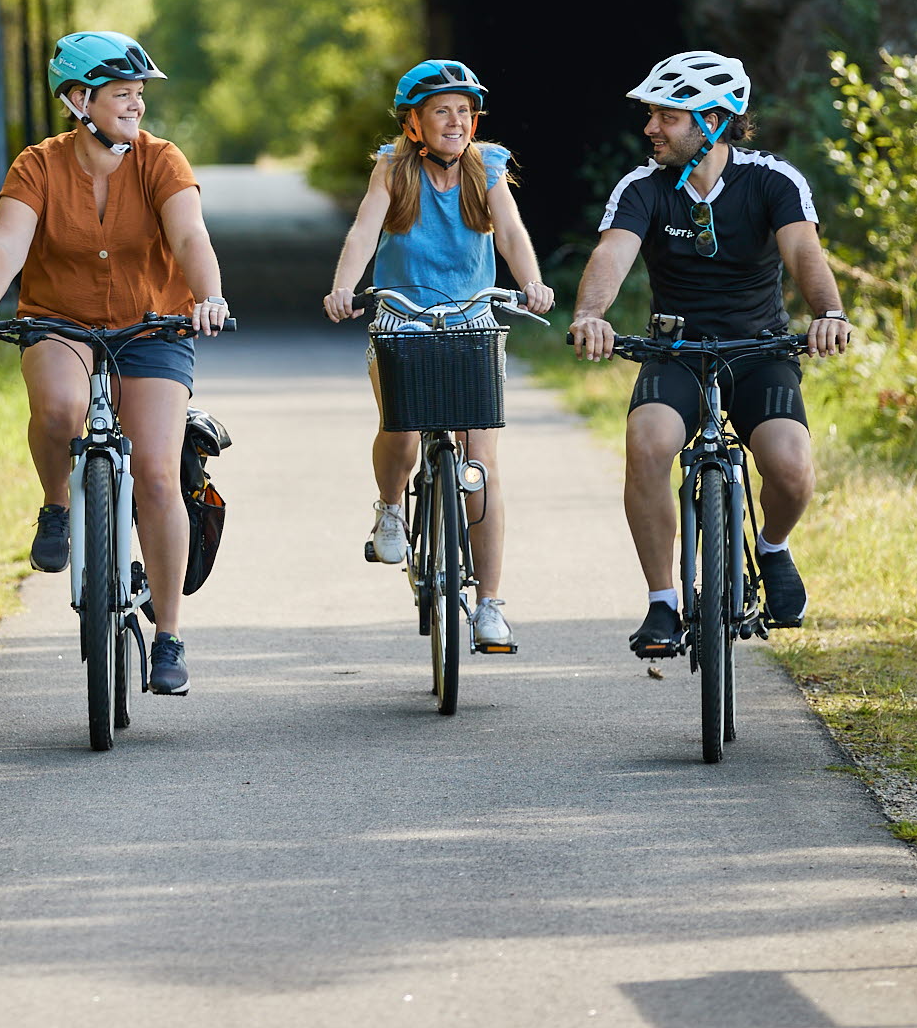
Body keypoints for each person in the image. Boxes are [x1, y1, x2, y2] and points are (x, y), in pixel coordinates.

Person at [0, 31, 229, 697]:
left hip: (154, 323)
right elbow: (9, 238)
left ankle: (168, 634)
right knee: (59, 408)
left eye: (139, 94)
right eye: (121, 94)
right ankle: (57, 504)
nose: (136, 106)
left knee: (160, 476)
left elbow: (190, 233)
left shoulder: (161, 160)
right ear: (79, 99)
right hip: (61, 319)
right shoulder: (37, 166)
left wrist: (211, 295)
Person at [567, 50, 852, 659]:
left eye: (668, 116)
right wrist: (591, 316)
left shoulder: (774, 181)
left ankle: (772, 548)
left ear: (714, 122)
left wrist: (828, 313)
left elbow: (805, 255)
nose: (650, 128)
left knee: (792, 466)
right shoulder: (643, 188)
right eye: (652, 115)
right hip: (675, 352)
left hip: (761, 350)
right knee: (647, 445)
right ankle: (663, 603)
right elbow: (612, 257)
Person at [324, 60, 555, 654]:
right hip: (403, 314)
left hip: (473, 315)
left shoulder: (487, 167)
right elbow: (363, 233)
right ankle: (390, 509)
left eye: (464, 111)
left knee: (481, 462)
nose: (456, 121)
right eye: (441, 111)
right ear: (413, 124)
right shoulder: (393, 169)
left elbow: (510, 232)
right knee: (401, 434)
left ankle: (491, 607)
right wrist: (344, 287)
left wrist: (531, 281)